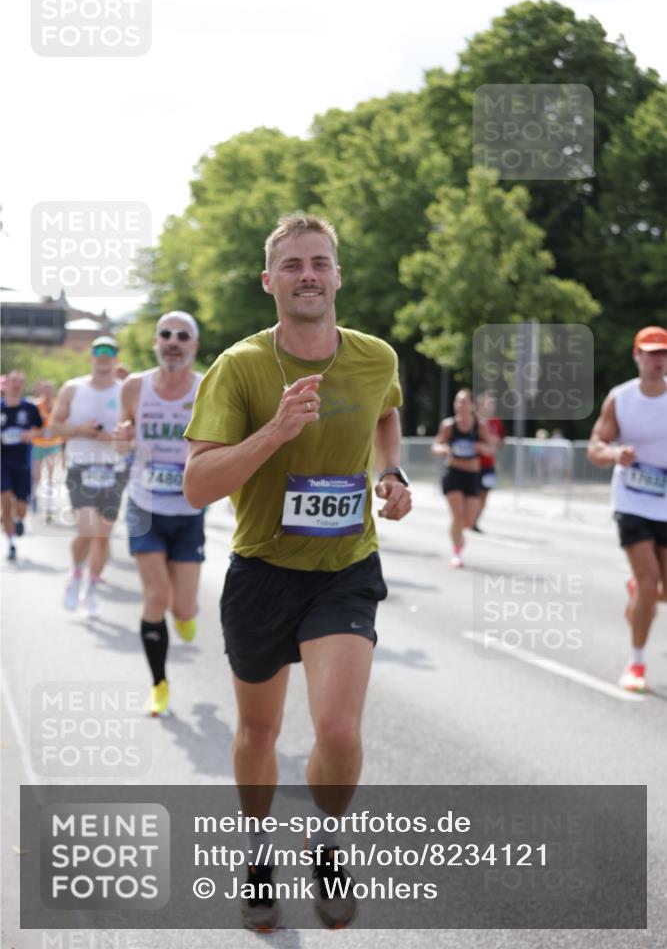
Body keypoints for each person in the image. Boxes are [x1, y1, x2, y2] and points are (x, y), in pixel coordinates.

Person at [183, 213, 412, 931]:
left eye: (319, 263)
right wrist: (276, 430)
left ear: (337, 276)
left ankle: (327, 844)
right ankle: (257, 856)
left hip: (345, 568)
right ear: (269, 281)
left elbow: (384, 415)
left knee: (338, 731)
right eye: (292, 265)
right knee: (259, 731)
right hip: (262, 570)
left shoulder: (375, 357)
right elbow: (196, 485)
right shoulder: (239, 367)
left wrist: (392, 472)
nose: (307, 275)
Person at [114, 312, 205, 718]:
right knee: (156, 596)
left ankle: (185, 615)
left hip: (188, 509)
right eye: (165, 334)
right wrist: (121, 438)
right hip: (143, 505)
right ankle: (159, 685)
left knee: (183, 609)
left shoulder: (207, 388)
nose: (173, 341)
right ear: (156, 342)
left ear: (193, 346)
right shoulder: (134, 387)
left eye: (182, 336)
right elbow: (123, 437)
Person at [587, 326, 667, 692]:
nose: (657, 360)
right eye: (650, 353)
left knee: (658, 590)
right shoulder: (620, 398)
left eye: (663, 353)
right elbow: (595, 447)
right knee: (651, 583)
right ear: (637, 356)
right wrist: (615, 453)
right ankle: (636, 663)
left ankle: (638, 591)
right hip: (632, 500)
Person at [50, 336, 124, 615]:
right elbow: (54, 427)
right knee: (87, 530)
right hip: (81, 467)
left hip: (114, 470)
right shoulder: (73, 388)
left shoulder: (126, 391)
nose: (104, 355)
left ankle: (91, 589)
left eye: (109, 351)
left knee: (102, 537)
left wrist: (114, 439)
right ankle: (76, 574)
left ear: (116, 358)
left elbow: (134, 437)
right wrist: (80, 430)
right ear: (91, 357)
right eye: (99, 351)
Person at [432, 388, 492, 568]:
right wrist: (443, 449)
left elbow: (490, 448)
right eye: (458, 401)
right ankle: (456, 552)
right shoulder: (449, 425)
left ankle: (459, 537)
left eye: (465, 401)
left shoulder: (479, 426)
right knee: (457, 515)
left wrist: (480, 447)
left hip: (472, 475)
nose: (461, 405)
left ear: (472, 405)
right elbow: (436, 445)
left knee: (469, 521)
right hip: (453, 473)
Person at [1, 370, 43, 560]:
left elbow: (42, 430)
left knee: (21, 508)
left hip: (22, 463)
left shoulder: (30, 408)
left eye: (20, 382)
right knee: (5, 501)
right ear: (7, 384)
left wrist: (30, 435)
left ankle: (19, 520)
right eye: (13, 381)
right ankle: (11, 544)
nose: (16, 385)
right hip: (2, 463)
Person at [473, 391, 506, 532]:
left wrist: (496, 442)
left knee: (484, 495)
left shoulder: (497, 422)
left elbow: (501, 442)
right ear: (480, 404)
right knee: (472, 494)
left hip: (488, 465)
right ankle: (467, 518)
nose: (491, 406)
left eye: (493, 403)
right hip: (473, 464)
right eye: (488, 403)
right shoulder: (474, 421)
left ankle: (474, 522)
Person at [31, 381, 63, 522]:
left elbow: (62, 423)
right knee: (37, 475)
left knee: (50, 474)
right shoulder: (36, 405)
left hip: (53, 444)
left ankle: (49, 505)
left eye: (50, 389)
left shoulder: (58, 405)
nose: (48, 392)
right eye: (45, 389)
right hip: (38, 444)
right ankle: (34, 497)